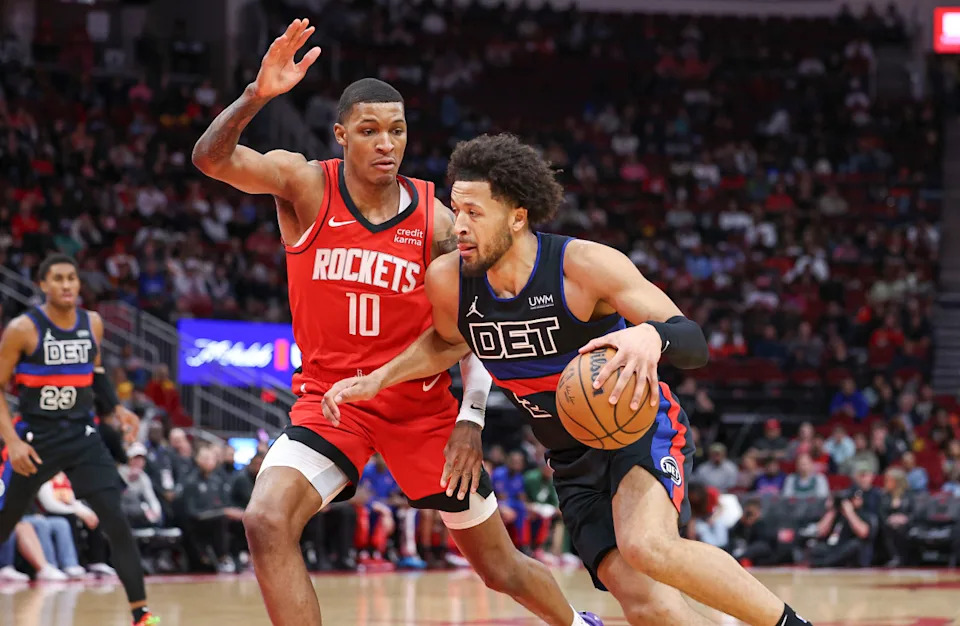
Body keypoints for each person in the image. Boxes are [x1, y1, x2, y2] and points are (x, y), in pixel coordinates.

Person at [192, 19, 599, 626]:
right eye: (369, 131)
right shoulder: (306, 186)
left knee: (499, 567)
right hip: (332, 403)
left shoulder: (438, 221)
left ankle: (576, 624)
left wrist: (470, 419)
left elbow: (474, 326)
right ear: (341, 135)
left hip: (420, 408)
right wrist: (256, 96)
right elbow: (211, 160)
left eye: (397, 130)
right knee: (265, 519)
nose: (387, 143)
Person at [323, 133, 812, 626]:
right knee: (645, 605)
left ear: (517, 216)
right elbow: (448, 342)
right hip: (570, 456)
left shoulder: (581, 266)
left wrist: (651, 338)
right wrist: (378, 378)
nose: (460, 226)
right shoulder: (450, 279)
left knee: (649, 546)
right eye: (456, 210)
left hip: (637, 429)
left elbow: (693, 341)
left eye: (475, 213)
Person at [0, 253, 157, 626]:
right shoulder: (23, 329)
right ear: (43, 285)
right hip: (36, 439)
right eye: (58, 278)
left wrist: (117, 408)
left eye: (72, 278)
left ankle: (141, 614)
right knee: (5, 522)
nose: (68, 285)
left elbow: (97, 371)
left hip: (83, 437)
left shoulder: (93, 323)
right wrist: (14, 442)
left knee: (116, 522)